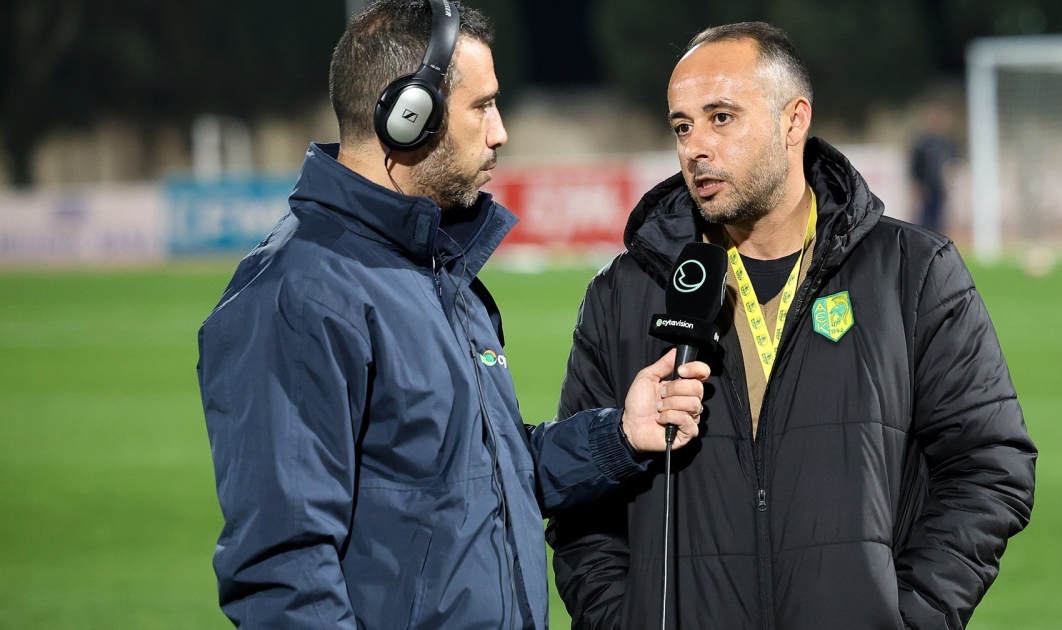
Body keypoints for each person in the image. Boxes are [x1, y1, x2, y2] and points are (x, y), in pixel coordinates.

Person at [195, 2, 709, 629]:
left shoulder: (436, 270)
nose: (500, 132)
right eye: (483, 106)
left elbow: (483, 479)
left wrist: (619, 436)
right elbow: (285, 574)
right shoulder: (301, 293)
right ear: (408, 116)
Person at [547, 22, 1037, 630]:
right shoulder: (622, 295)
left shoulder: (913, 273)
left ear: (793, 120)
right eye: (682, 126)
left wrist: (910, 617)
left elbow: (989, 463)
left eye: (721, 118)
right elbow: (581, 498)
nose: (696, 146)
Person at [909, 103, 958, 234]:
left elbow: (953, 164)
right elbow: (915, 166)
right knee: (925, 218)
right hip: (927, 185)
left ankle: (938, 239)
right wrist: (918, 186)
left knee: (940, 218)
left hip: (942, 186)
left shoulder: (947, 143)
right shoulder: (923, 143)